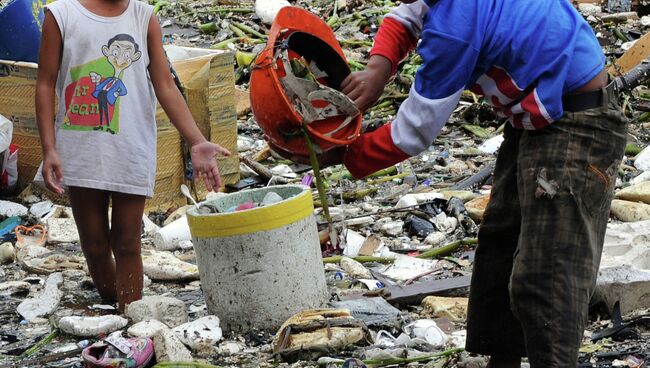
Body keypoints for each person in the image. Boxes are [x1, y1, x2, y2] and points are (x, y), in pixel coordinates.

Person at [338, 0, 627, 367]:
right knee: (501, 243)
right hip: (535, 116)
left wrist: (343, 154)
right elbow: (406, 15)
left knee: (547, 273)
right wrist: (378, 69)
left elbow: (414, 131)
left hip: (579, 121)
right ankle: (501, 359)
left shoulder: (453, 32)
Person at [35, 0, 230, 312]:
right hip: (81, 148)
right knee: (96, 246)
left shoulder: (144, 17)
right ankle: (115, 306)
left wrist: (196, 140)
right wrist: (49, 148)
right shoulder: (61, 15)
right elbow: (45, 83)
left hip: (131, 148)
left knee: (127, 242)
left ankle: (132, 318)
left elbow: (164, 84)